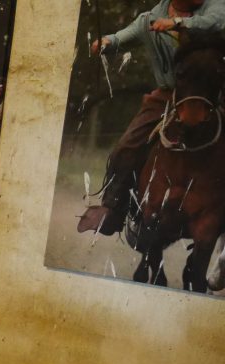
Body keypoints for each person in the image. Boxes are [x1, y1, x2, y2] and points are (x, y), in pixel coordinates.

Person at [78, 0, 225, 234]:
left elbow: (215, 22)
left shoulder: (215, 7)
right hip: (168, 95)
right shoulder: (147, 20)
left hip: (212, 94)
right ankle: (113, 209)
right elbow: (120, 38)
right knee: (125, 147)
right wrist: (105, 42)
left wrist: (176, 23)